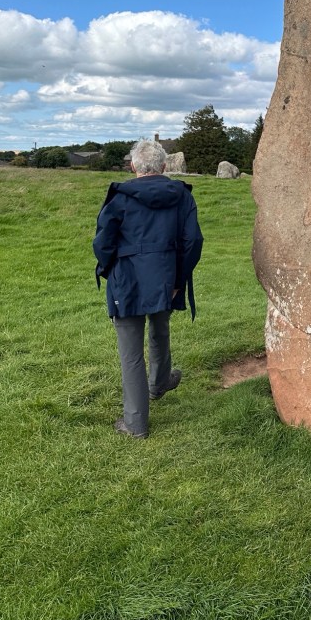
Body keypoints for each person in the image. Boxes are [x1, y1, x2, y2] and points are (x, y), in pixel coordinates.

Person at [93, 140, 203, 439]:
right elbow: (192, 241)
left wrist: (106, 268)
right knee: (159, 328)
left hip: (126, 279)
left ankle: (136, 422)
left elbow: (103, 243)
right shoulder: (182, 196)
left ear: (133, 166)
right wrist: (178, 280)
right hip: (166, 276)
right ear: (164, 166)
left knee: (131, 351)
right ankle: (158, 383)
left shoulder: (119, 197)